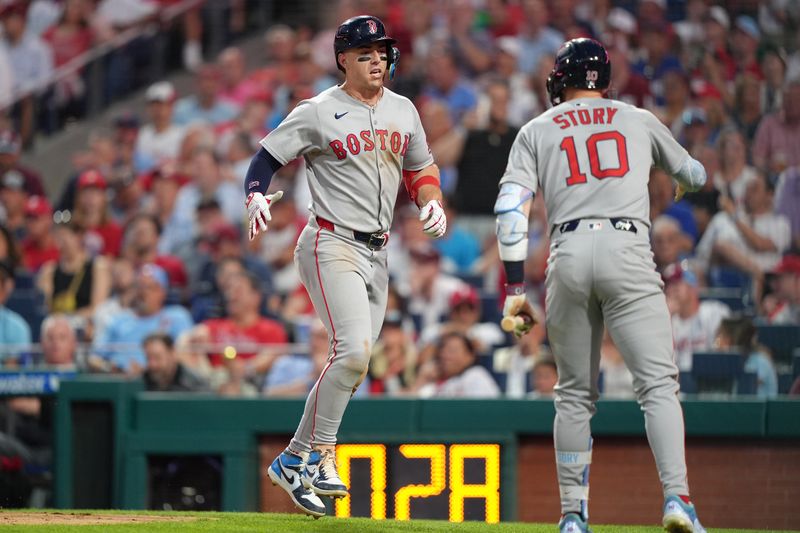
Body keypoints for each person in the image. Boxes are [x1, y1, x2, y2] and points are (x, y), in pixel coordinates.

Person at [493, 39, 707, 532]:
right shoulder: (637, 118)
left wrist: (512, 290)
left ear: (560, 78)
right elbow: (694, 172)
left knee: (573, 394)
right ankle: (677, 499)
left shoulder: (536, 128)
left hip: (567, 252)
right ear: (605, 81)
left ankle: (573, 515)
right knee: (657, 386)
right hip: (628, 246)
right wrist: (683, 182)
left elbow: (510, 212)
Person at [243, 15, 445, 517]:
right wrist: (254, 195)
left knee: (353, 365)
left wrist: (430, 199)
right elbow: (265, 158)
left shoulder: (403, 109)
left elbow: (421, 166)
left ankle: (307, 456)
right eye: (365, 53)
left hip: (379, 251)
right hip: (330, 242)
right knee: (352, 351)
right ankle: (310, 455)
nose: (377, 59)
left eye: (382, 51)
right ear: (342, 60)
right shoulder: (318, 110)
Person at [142, 333, 209, 392]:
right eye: (148, 358)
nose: (152, 364)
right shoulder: (142, 382)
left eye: (157, 358)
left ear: (172, 353)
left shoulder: (195, 386)